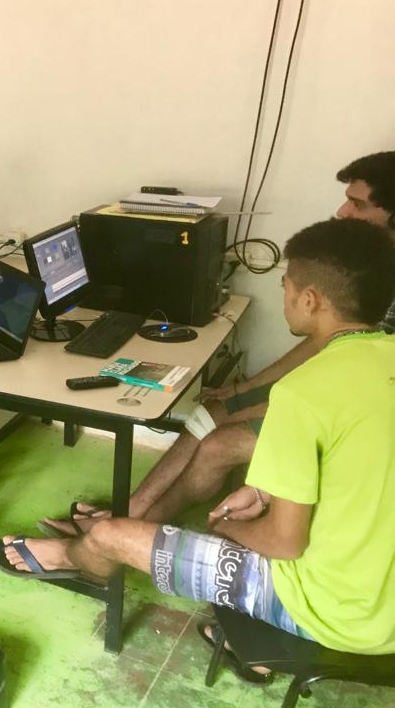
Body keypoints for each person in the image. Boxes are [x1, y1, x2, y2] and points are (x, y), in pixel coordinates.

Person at [0, 218, 395, 670]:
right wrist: (263, 493)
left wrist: (225, 529)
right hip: (385, 606)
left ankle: (76, 558)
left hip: (330, 612)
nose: (283, 294)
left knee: (109, 537)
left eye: (286, 285)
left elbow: (284, 543)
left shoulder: (302, 394)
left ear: (310, 300)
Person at [41, 150, 395, 538]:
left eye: (358, 203)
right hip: (328, 394)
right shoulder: (367, 262)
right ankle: (132, 510)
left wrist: (264, 407)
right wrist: (244, 390)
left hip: (356, 420)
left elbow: (361, 392)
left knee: (219, 443)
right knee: (214, 409)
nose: (343, 211)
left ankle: (123, 532)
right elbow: (321, 342)